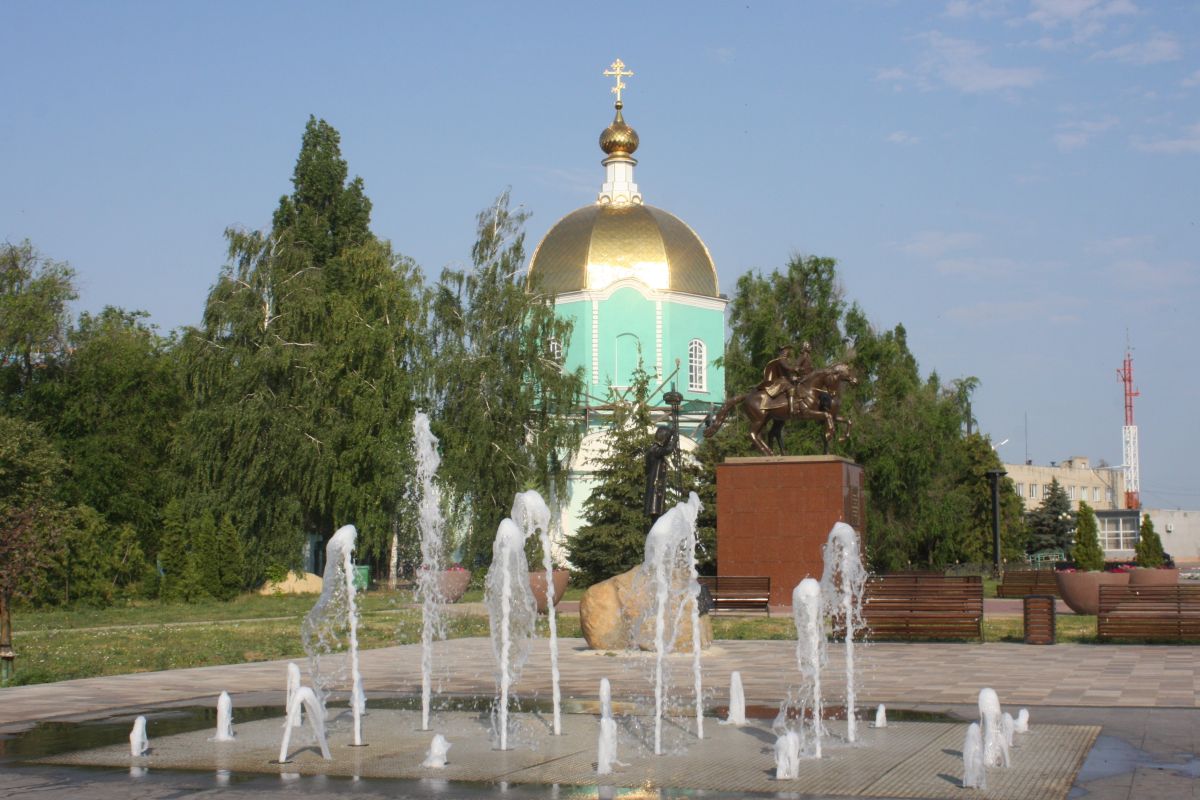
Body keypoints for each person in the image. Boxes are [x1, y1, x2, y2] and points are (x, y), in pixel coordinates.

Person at [758, 345, 801, 415]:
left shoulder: (785, 360)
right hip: (782, 381)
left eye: (788, 351)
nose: (788, 352)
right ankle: (791, 410)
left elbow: (787, 373)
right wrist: (794, 369)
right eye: (787, 351)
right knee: (791, 388)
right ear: (783, 351)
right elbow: (787, 368)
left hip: (786, 379)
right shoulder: (781, 360)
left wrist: (793, 378)